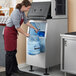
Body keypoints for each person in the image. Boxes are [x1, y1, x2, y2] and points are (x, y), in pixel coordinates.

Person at [4, 0, 38, 76]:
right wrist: (25, 34)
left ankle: (15, 69)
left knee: (13, 51)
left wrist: (34, 28)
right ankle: (8, 73)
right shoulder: (16, 12)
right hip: (9, 32)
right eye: (28, 8)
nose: (28, 10)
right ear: (23, 6)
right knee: (9, 53)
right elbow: (17, 27)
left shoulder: (22, 13)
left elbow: (26, 22)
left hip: (13, 33)